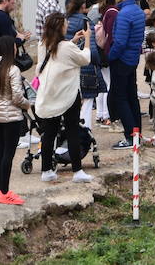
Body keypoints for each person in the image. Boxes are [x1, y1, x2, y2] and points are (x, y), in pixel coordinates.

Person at [33, 12, 97, 184]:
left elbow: (57, 55)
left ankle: (46, 170)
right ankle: (77, 171)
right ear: (61, 26)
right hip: (68, 95)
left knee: (49, 133)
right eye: (66, 23)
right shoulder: (66, 48)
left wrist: (73, 41)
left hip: (50, 94)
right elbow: (85, 59)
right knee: (72, 131)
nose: (68, 25)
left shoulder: (43, 43)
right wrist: (88, 40)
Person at [0, 36, 27, 205]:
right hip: (12, 116)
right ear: (10, 49)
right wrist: (27, 105)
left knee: (0, 152)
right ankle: (6, 192)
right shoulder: (13, 69)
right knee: (8, 153)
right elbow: (17, 97)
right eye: (15, 47)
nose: (16, 49)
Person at [107, 0, 147, 150]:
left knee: (121, 97)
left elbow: (120, 42)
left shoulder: (124, 14)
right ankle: (137, 133)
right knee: (131, 97)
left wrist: (110, 56)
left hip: (122, 60)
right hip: (132, 59)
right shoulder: (137, 10)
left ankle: (131, 136)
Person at [66, 0, 107, 130]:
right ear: (83, 5)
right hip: (86, 66)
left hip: (69, 66)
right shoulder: (86, 21)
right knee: (88, 102)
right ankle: (85, 133)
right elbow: (92, 49)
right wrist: (98, 62)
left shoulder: (65, 21)